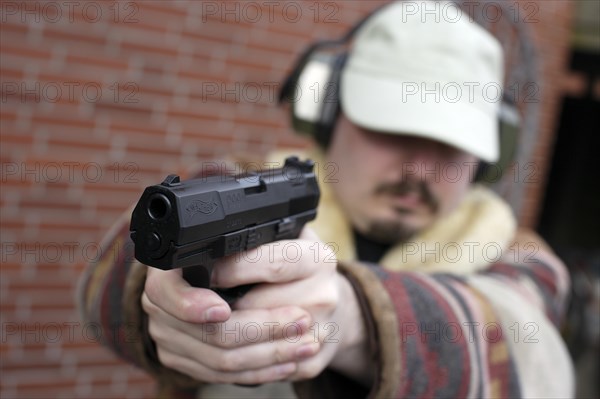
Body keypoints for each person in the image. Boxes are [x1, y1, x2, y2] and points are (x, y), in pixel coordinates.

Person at [78, 2, 574, 398]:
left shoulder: (519, 256)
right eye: (392, 129)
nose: (419, 169)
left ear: (487, 160)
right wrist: (164, 298)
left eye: (451, 147)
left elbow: (534, 359)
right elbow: (103, 285)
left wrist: (354, 319)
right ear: (328, 113)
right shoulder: (236, 182)